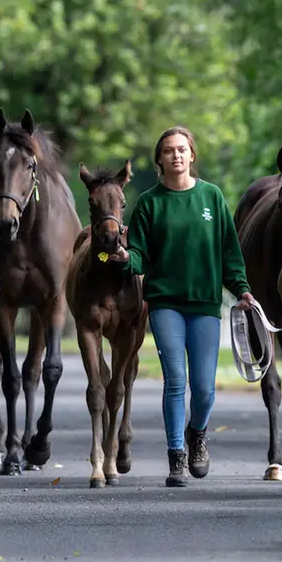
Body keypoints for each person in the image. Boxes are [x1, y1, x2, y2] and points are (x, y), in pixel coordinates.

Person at [109, 126, 255, 487]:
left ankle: (197, 434)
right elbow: (140, 255)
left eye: (182, 149)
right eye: (169, 150)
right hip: (165, 304)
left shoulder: (212, 197)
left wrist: (243, 290)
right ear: (159, 159)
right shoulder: (150, 202)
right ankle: (176, 456)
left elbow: (229, 253)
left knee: (204, 389)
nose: (176, 155)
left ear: (192, 155)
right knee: (176, 380)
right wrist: (127, 258)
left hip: (205, 303)